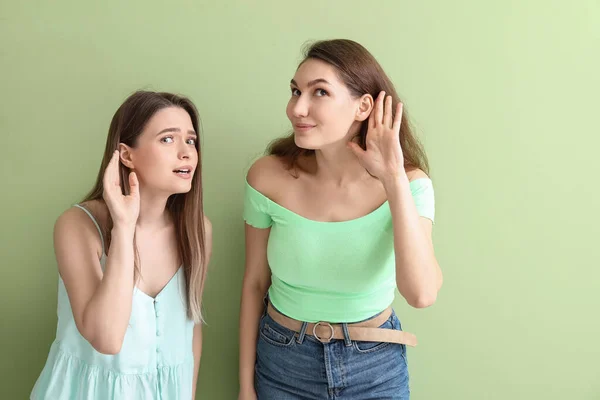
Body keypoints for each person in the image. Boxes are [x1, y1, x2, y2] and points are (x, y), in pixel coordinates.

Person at [239, 39, 442, 399]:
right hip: (283, 362)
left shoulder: (411, 185)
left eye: (319, 92)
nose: (297, 108)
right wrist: (245, 387)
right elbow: (255, 283)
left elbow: (422, 293)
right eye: (295, 91)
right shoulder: (266, 178)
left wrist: (393, 178)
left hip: (375, 365)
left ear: (364, 106)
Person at [31, 90, 212, 399]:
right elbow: (107, 339)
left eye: (191, 140)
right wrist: (125, 227)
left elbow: (190, 326)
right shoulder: (78, 226)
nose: (186, 153)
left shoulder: (197, 231)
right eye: (168, 139)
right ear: (127, 155)